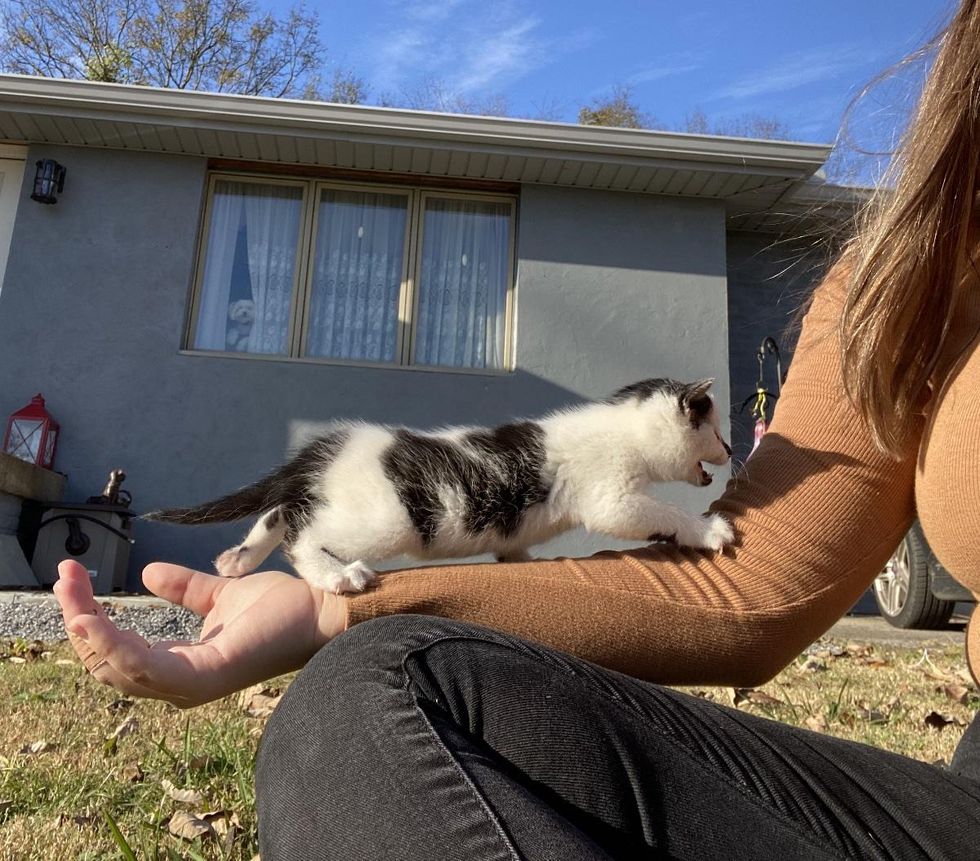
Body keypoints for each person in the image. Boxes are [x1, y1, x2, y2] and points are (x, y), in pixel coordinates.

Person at [55, 2, 980, 857]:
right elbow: (748, 581)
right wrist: (336, 609)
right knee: (374, 694)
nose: (717, 457)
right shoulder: (918, 267)